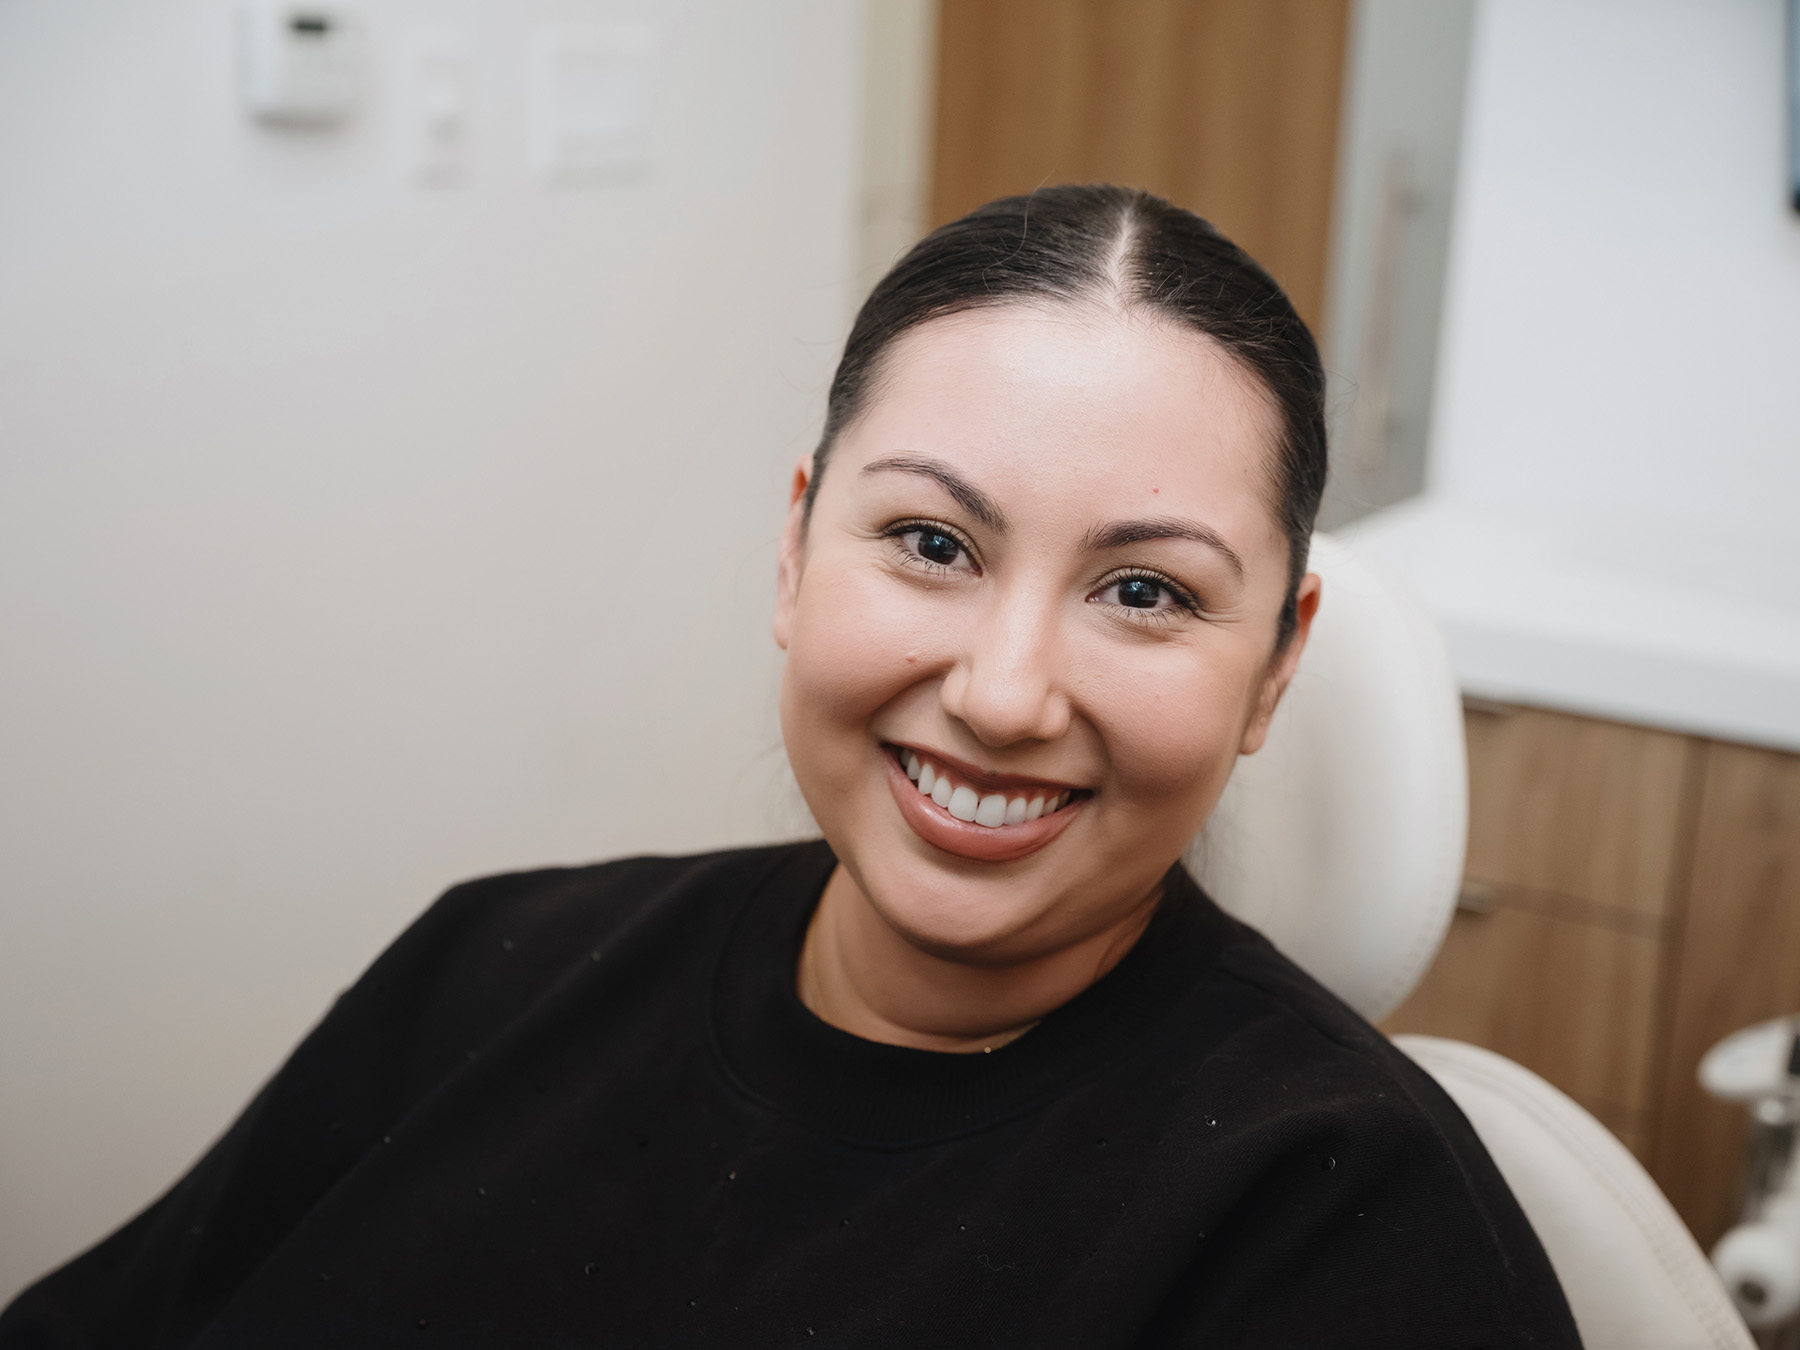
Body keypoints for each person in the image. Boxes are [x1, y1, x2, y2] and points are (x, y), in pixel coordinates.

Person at [0, 186, 1579, 1348]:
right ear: (793, 549)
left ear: (1276, 667)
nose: (1006, 691)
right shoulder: (490, 967)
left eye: (1145, 590)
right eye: (931, 542)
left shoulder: (1337, 1220)